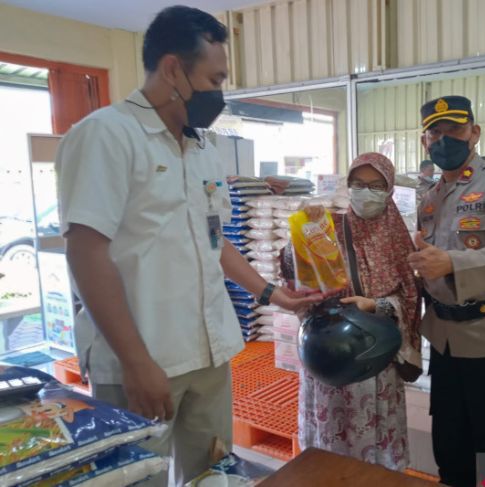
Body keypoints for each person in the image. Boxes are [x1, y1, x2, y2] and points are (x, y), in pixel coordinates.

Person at [56, 6, 319, 485]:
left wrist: (272, 296)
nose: (219, 93)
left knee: (212, 474)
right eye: (214, 78)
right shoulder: (107, 135)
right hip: (143, 359)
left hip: (209, 354)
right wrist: (137, 363)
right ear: (173, 68)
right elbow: (86, 252)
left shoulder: (202, 149)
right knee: (140, 477)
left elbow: (215, 243)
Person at [406, 96, 485, 487]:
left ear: (474, 133)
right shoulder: (429, 200)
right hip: (445, 343)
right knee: (451, 444)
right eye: (436, 133)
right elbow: (428, 267)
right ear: (425, 142)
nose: (445, 139)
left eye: (455, 130)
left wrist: (451, 263)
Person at [282, 152, 422, 471]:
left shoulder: (398, 239)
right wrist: (303, 231)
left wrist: (374, 305)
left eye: (376, 185)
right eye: (358, 184)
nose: (366, 192)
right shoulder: (328, 228)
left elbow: (411, 300)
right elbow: (295, 279)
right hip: (330, 355)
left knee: (375, 457)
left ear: (388, 189)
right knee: (330, 453)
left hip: (374, 361)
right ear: (348, 186)